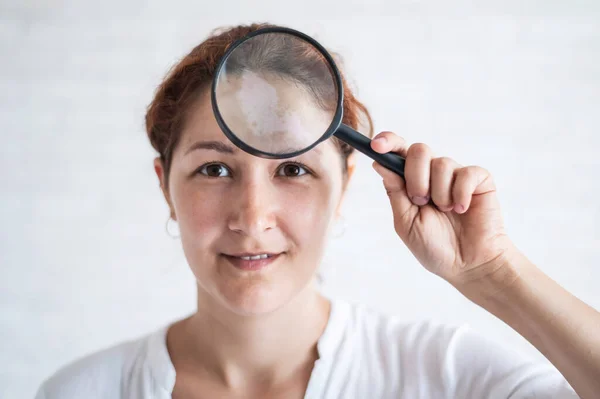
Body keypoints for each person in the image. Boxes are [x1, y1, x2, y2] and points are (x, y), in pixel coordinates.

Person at [34, 23, 599, 399]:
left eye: (294, 169)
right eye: (215, 169)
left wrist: (495, 274)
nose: (253, 218)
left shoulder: (449, 376)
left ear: (345, 185)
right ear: (166, 187)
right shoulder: (82, 390)